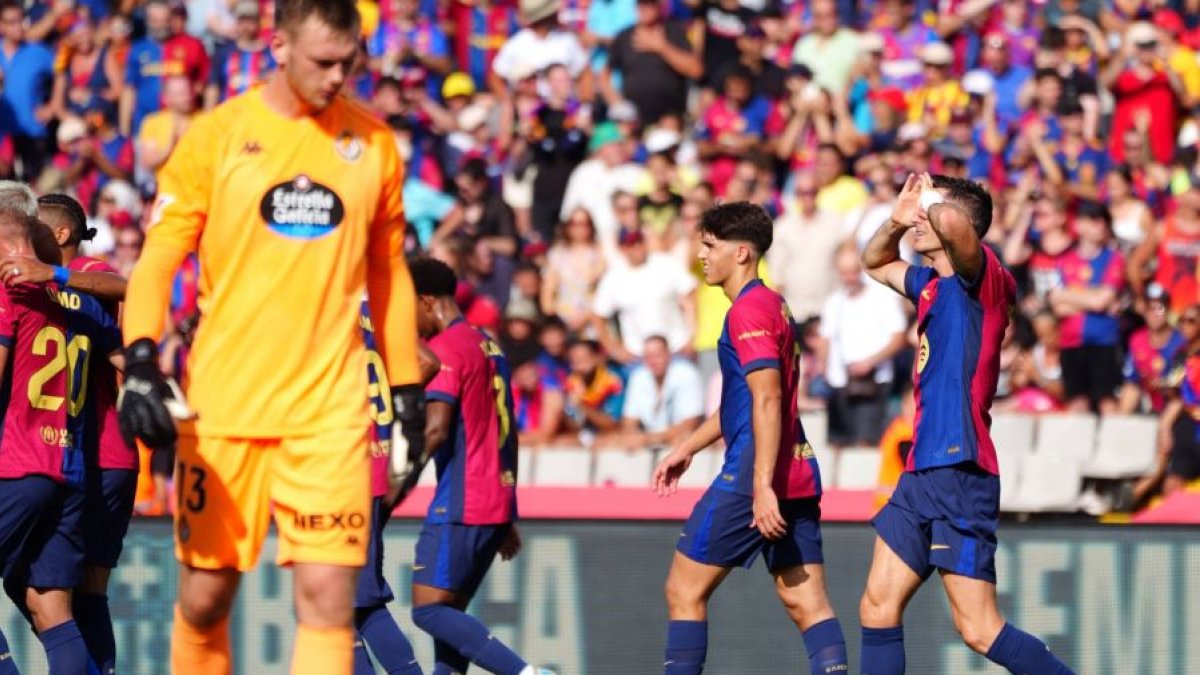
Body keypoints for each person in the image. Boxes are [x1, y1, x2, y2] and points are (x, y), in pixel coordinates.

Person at [116, 1, 426, 672]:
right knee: (205, 597)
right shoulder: (216, 137)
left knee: (326, 595)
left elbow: (389, 274)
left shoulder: (373, 145)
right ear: (278, 47)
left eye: (350, 61)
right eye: (323, 61)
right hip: (226, 408)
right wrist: (141, 356)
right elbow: (158, 261)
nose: (338, 76)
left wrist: (406, 389)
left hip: (330, 414)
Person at [860, 172, 1074, 674]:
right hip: (920, 470)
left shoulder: (985, 278)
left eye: (926, 214)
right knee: (876, 606)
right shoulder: (930, 284)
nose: (919, 218)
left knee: (978, 629)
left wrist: (932, 199)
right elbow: (875, 261)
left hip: (961, 467)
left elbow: (956, 223)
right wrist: (895, 219)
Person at [652, 202, 847, 675]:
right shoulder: (772, 304)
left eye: (709, 245)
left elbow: (767, 401)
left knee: (683, 589)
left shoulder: (748, 312)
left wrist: (761, 486)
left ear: (741, 253)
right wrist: (688, 447)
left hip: (753, 475)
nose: (701, 254)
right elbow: (745, 400)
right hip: (797, 469)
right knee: (807, 604)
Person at [407, 257, 554, 675]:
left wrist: (396, 488)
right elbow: (506, 429)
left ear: (426, 301)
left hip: (462, 501)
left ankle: (527, 674)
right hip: (493, 500)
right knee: (450, 629)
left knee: (429, 612)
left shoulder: (446, 351)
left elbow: (435, 430)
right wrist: (505, 507)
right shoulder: (488, 344)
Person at [35, 193, 134, 674]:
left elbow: (124, 286)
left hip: (103, 451)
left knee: (78, 589)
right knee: (61, 590)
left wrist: (55, 276)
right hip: (77, 452)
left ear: (60, 235)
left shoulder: (87, 271)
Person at [0, 209, 84, 673]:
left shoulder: (9, 288)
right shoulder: (68, 292)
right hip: (65, 465)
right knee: (51, 608)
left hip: (16, 462)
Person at [354, 302, 440, 675]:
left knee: (342, 603)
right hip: (373, 463)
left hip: (341, 470)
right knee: (351, 603)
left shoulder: (323, 303)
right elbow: (427, 360)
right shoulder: (380, 310)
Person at [818, 243, 907, 449]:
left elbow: (899, 338)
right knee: (837, 443)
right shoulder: (834, 301)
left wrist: (870, 362)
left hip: (874, 382)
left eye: (854, 272)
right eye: (844, 273)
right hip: (840, 382)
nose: (849, 278)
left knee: (866, 443)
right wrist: (823, 367)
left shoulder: (882, 298)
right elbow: (825, 338)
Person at [1047, 201, 1125, 414]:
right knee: (1076, 403)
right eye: (1093, 220)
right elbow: (1057, 306)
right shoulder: (1064, 260)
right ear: (1079, 225)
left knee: (1107, 402)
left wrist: (1068, 295)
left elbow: (1102, 301)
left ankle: (1112, 448)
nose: (1099, 225)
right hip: (1071, 342)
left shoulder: (1114, 259)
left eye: (1102, 221)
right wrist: (1092, 298)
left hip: (1103, 342)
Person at [591, 227, 697, 364]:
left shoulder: (666, 264)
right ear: (622, 248)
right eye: (631, 244)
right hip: (638, 356)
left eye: (639, 241)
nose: (637, 247)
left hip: (676, 349)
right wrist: (614, 349)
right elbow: (598, 315)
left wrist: (692, 335)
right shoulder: (613, 277)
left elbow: (691, 293)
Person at [0, 1, 55, 181]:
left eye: (22, 20)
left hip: (30, 132)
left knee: (30, 192)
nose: (19, 26)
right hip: (2, 134)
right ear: (1, 25)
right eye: (12, 21)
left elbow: (62, 73)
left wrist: (53, 105)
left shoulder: (38, 52)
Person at [619, 335, 703, 450]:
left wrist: (649, 438)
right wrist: (634, 437)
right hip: (650, 440)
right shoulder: (638, 376)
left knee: (683, 440)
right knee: (611, 442)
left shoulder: (687, 374)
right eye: (648, 356)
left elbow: (692, 423)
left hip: (679, 440)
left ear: (668, 355)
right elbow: (628, 422)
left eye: (657, 355)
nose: (653, 361)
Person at [1120, 284, 1184, 415]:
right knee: (1130, 391)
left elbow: (1182, 382)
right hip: (1149, 402)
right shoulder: (1137, 339)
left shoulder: (1181, 341)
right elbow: (1131, 379)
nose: (1154, 314)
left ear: (1168, 311)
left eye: (1159, 309)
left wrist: (1163, 383)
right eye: (1150, 309)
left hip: (1177, 404)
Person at [205, 0, 276, 108]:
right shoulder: (224, 52)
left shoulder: (269, 54)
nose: (246, 26)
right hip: (228, 117)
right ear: (236, 22)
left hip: (258, 116)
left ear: (258, 22)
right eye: (242, 20)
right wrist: (208, 117)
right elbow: (213, 87)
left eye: (250, 20)